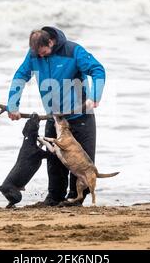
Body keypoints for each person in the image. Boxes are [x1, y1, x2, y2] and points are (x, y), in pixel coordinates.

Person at [6, 26, 106, 206]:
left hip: (80, 117)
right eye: (38, 54)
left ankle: (76, 198)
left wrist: (94, 96)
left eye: (43, 52)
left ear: (51, 42)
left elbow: (98, 70)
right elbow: (20, 76)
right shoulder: (34, 54)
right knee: (54, 162)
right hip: (56, 119)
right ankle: (54, 198)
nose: (41, 57)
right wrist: (12, 105)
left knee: (81, 164)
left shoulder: (73, 51)